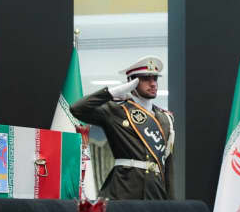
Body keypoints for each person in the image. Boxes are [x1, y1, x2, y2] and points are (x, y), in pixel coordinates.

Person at [70, 56, 175, 200]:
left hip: (155, 191)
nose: (153, 84)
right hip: (123, 189)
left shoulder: (165, 118)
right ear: (132, 82)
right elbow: (77, 109)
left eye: (155, 79)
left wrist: (171, 203)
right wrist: (112, 93)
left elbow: (168, 166)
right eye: (146, 79)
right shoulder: (117, 111)